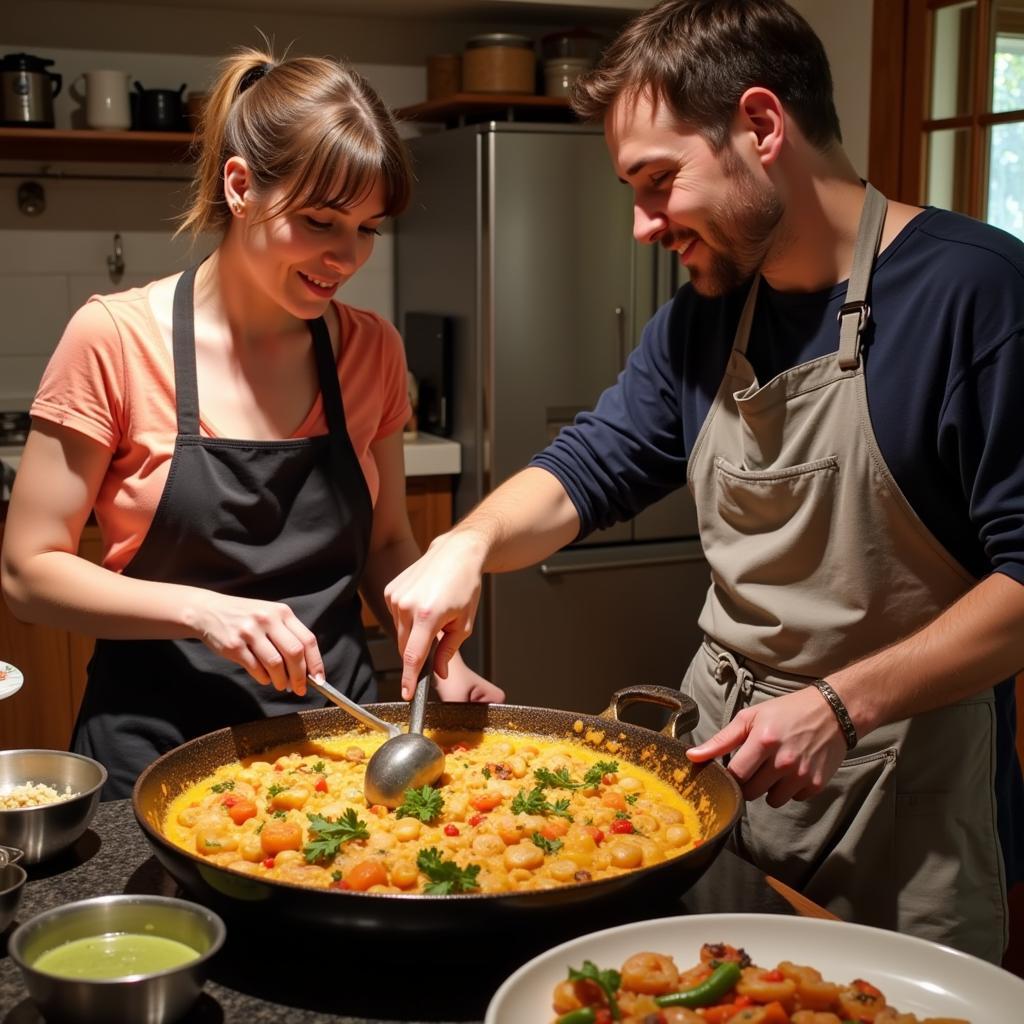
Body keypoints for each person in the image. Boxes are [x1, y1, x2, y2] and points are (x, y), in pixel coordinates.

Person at [383, 0, 1024, 963]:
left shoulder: (978, 295)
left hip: (904, 790)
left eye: (658, 182)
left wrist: (841, 704)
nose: (643, 226)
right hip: (719, 760)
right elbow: (586, 469)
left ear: (763, 128)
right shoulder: (703, 319)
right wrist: (465, 545)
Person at [0, 47, 503, 801]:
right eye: (320, 220)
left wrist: (436, 662)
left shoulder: (371, 349)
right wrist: (201, 610)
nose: (347, 256)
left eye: (368, 228)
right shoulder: (114, 338)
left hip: (337, 739)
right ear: (240, 187)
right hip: (158, 746)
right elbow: (27, 571)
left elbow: (389, 541)